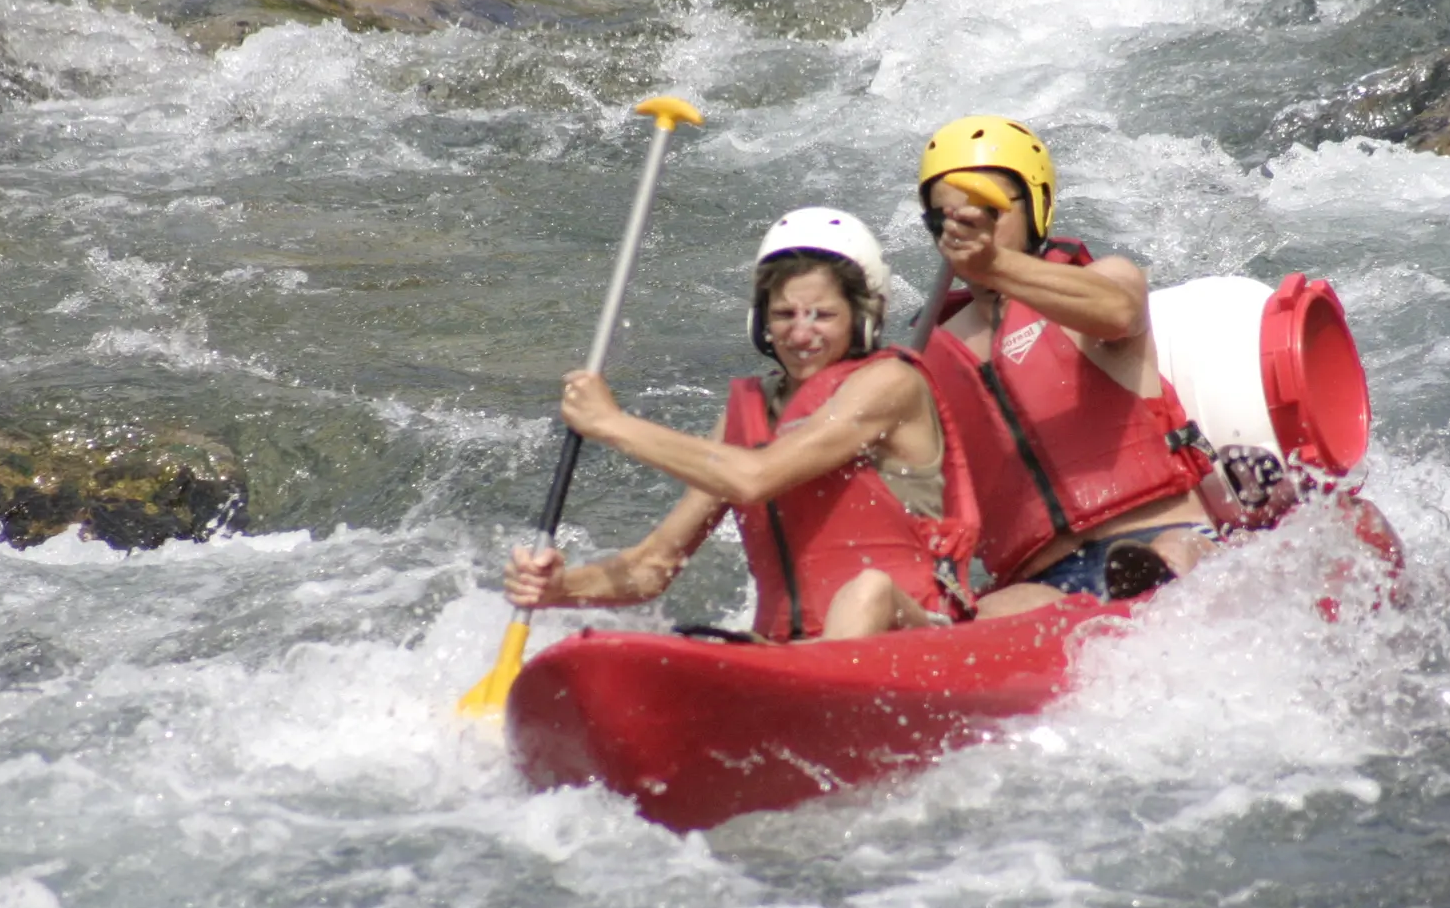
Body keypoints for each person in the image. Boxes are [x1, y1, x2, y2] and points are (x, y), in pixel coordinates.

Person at [503, 208, 980, 642]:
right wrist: (558, 588)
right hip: (789, 654)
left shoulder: (889, 383)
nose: (800, 332)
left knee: (867, 591)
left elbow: (755, 478)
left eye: (823, 315)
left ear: (863, 316)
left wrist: (612, 423)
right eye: (784, 314)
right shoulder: (746, 416)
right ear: (761, 322)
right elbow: (653, 567)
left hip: (913, 635)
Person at [914, 115, 1221, 616]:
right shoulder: (928, 359)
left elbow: (1117, 313)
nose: (966, 226)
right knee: (992, 613)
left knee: (1172, 554)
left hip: (1162, 534)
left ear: (1035, 206)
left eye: (988, 209)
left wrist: (997, 267)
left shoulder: (1104, 280)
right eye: (945, 217)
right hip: (1043, 579)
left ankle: (1147, 590)